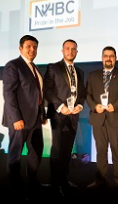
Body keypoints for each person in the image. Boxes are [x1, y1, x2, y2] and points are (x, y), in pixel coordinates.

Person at [2, 34, 47, 201]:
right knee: (15, 156)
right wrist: (15, 118)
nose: (32, 49)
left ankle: (32, 182)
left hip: (35, 120)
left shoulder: (34, 68)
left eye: (35, 47)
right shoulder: (13, 66)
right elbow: (9, 94)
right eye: (28, 46)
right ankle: (17, 189)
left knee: (36, 153)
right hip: (19, 121)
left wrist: (42, 115)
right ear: (20, 48)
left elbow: (37, 94)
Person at [86, 46, 118, 193]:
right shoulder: (93, 75)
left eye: (111, 56)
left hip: (116, 118)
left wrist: (116, 105)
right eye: (105, 56)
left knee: (117, 151)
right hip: (98, 118)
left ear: (115, 58)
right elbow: (87, 95)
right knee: (101, 151)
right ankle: (100, 179)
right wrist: (95, 106)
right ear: (102, 58)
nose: (108, 58)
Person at [43, 39, 86, 197]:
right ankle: (55, 183)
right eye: (67, 49)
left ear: (76, 51)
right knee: (56, 151)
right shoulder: (53, 68)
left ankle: (63, 179)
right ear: (62, 51)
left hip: (73, 117)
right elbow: (47, 90)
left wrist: (80, 105)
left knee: (67, 151)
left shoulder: (80, 72)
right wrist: (61, 107)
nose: (70, 51)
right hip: (59, 116)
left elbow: (81, 93)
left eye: (73, 49)